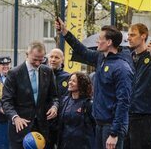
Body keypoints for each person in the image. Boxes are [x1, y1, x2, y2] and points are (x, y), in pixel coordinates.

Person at [56, 18, 133, 149]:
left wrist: (114, 133)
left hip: (112, 127)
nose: (97, 40)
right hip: (100, 123)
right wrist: (64, 32)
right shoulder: (100, 58)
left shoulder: (122, 68)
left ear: (109, 42)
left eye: (100, 38)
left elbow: (123, 102)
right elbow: (82, 50)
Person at [2, 41, 59, 149]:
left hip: (42, 129)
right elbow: (6, 101)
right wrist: (15, 117)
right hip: (20, 128)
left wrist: (54, 107)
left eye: (41, 59)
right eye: (35, 59)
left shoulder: (48, 72)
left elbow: (54, 96)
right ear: (27, 55)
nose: (38, 63)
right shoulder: (14, 73)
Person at [58, 71, 95, 149]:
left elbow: (95, 127)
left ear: (82, 84)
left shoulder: (89, 104)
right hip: (65, 144)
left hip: (83, 145)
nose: (70, 82)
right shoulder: (65, 101)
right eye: (70, 80)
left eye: (74, 81)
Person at [48, 48, 70, 148]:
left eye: (56, 57)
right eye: (51, 57)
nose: (53, 59)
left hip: (62, 121)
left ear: (62, 60)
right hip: (46, 119)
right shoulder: (43, 74)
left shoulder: (68, 77)